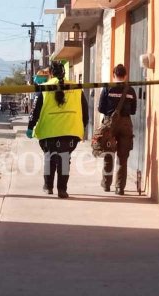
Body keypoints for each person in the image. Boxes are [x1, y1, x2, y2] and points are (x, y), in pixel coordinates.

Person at [27, 62, 89, 199]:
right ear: (64, 73)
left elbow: (35, 110)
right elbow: (85, 110)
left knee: (50, 158)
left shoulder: (43, 88)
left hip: (48, 131)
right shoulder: (76, 88)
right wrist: (83, 127)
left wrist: (30, 127)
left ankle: (48, 187)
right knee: (64, 159)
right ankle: (62, 189)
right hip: (71, 131)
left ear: (50, 73)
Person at [98, 64, 137, 195]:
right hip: (126, 123)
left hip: (110, 123)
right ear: (125, 75)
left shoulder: (107, 88)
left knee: (109, 154)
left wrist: (110, 112)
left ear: (113, 75)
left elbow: (100, 108)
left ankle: (106, 184)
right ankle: (120, 188)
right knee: (123, 156)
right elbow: (133, 110)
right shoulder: (130, 90)